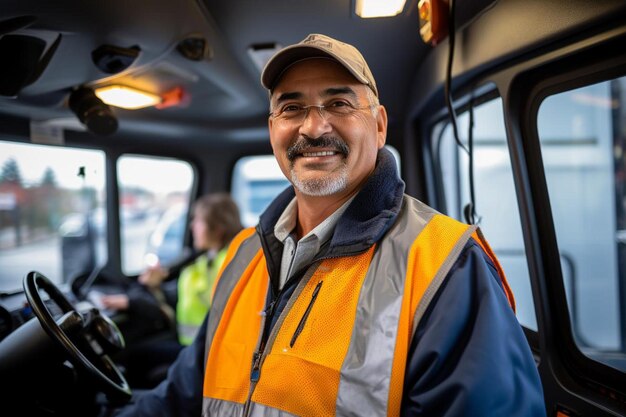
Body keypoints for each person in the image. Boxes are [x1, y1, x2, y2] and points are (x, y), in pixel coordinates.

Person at [113, 34, 546, 416]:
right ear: (272, 130)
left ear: (378, 126)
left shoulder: (446, 266)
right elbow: (182, 396)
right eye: (291, 107)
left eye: (338, 103)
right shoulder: (245, 253)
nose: (313, 126)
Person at [101, 193, 242, 387]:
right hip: (193, 346)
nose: (192, 226)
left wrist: (133, 302)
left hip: (205, 353)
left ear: (217, 229)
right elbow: (181, 299)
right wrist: (154, 286)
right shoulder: (205, 260)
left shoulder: (229, 264)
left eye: (198, 221)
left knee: (134, 357)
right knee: (136, 354)